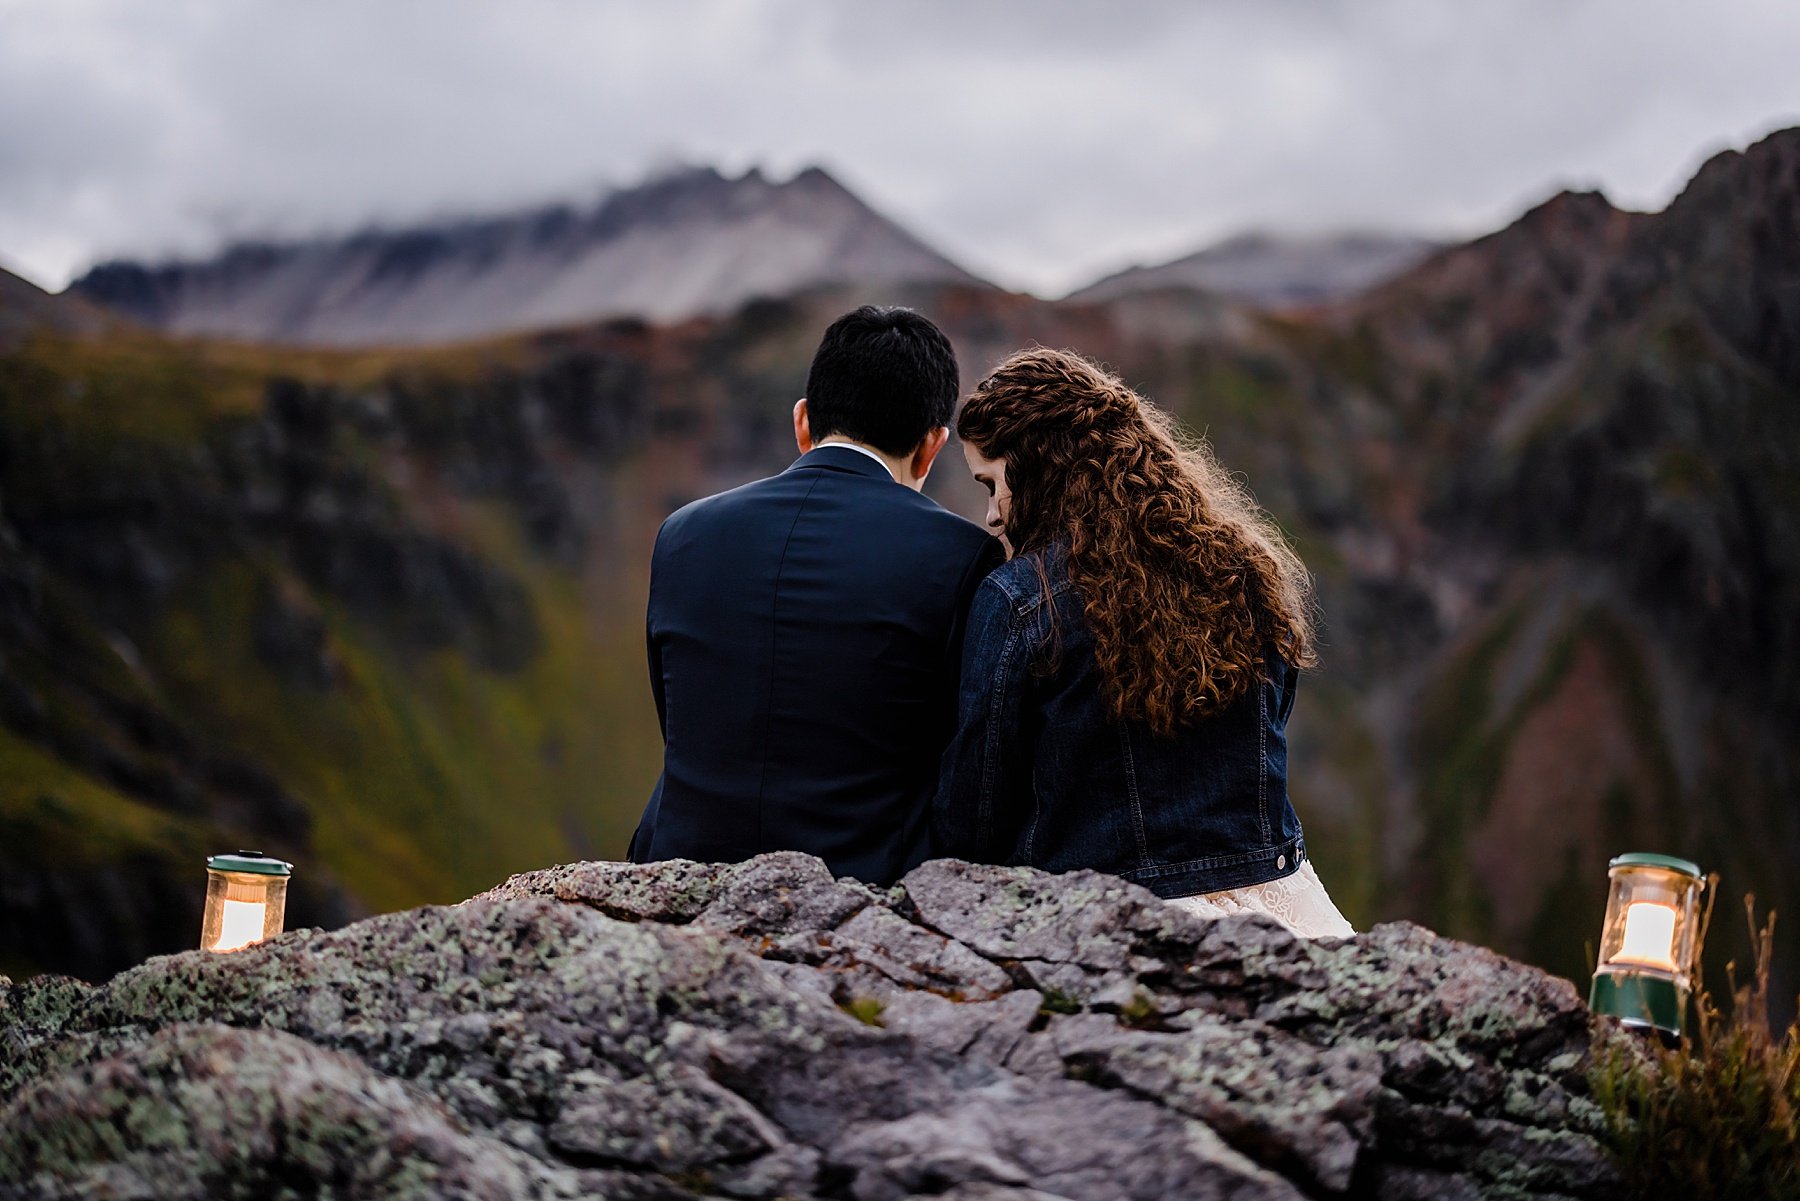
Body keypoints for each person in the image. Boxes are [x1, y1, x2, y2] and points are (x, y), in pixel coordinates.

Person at [936, 347, 1353, 937]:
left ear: (1035, 467)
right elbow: (1271, 725)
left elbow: (976, 811)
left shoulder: (1020, 599)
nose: (991, 516)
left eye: (991, 483)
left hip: (1114, 916)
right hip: (1280, 904)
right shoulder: (1243, 569)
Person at [628, 306, 1004, 884]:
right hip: (862, 891)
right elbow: (963, 760)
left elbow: (679, 718)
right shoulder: (959, 555)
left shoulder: (682, 533)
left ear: (803, 422)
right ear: (932, 446)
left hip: (675, 872)